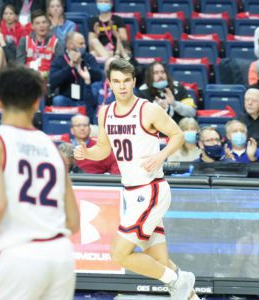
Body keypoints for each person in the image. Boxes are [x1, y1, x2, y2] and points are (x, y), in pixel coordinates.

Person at [74, 59, 197, 300]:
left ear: (134, 82)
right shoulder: (105, 112)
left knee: (119, 254)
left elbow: (177, 134)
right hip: (132, 192)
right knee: (159, 260)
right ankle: (189, 293)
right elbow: (103, 149)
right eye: (116, 82)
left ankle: (178, 281)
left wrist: (161, 155)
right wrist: (87, 153)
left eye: (126, 81)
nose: (121, 86)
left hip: (150, 189)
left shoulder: (148, 109)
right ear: (109, 84)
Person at [0, 65, 80, 299]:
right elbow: (73, 222)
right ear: (37, 102)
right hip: (61, 256)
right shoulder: (53, 149)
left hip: (19, 255)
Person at [49, 32, 102, 122]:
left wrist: (83, 64)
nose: (84, 46)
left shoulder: (88, 58)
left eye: (84, 43)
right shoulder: (60, 60)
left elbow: (99, 76)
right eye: (81, 44)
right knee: (58, 100)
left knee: (92, 99)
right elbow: (52, 82)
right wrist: (69, 67)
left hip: (85, 99)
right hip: (67, 99)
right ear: (70, 45)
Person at [17, 10, 63, 79]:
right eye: (37, 23)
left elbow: (58, 67)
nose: (41, 25)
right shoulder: (24, 41)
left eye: (44, 22)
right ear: (32, 26)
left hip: (48, 79)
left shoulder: (56, 43)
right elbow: (20, 65)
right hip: (28, 78)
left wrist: (45, 75)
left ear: (48, 24)